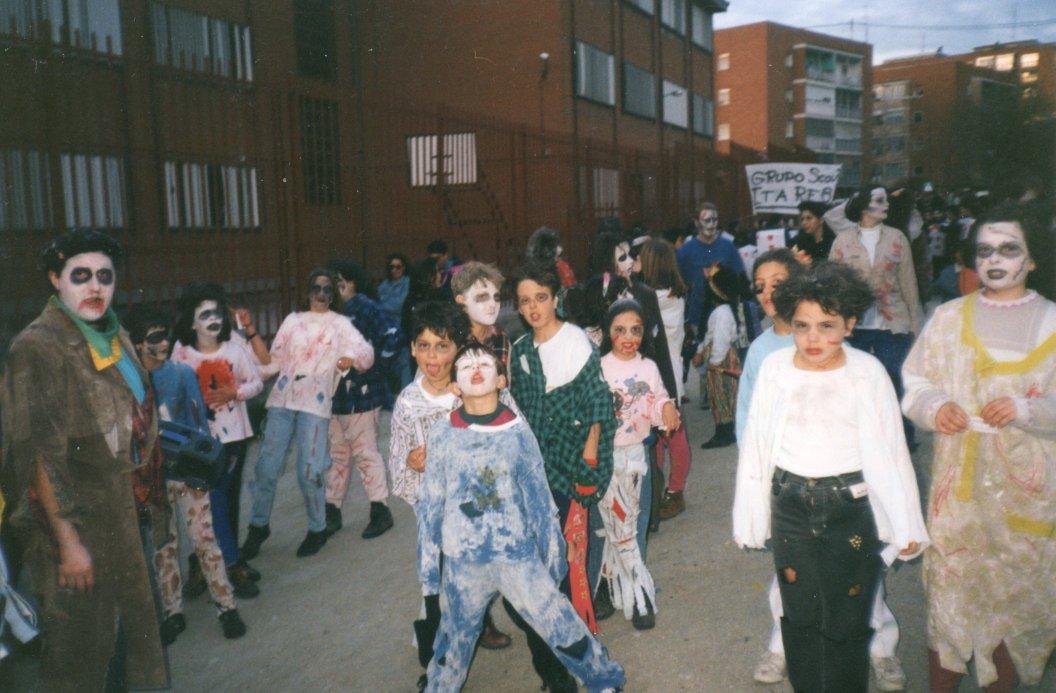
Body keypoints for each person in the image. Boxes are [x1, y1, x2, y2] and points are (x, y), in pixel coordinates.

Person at [733, 261, 928, 693]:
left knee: (848, 615)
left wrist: (904, 522)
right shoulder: (775, 371)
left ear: (851, 323)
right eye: (802, 326)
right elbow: (757, 448)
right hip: (790, 505)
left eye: (827, 325)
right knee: (798, 612)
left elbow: (891, 453)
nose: (814, 338)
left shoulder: (866, 373)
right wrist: (750, 516)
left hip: (850, 508)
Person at [0, 229, 167, 689]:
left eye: (104, 276)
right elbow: (34, 456)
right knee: (82, 653)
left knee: (135, 642)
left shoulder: (111, 333)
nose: (95, 287)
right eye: (81, 276)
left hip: (123, 519)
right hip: (76, 527)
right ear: (56, 280)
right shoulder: (37, 347)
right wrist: (69, 543)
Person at [902, 204, 1056, 691]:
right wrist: (935, 404)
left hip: (1028, 495)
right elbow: (915, 379)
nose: (995, 259)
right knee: (950, 594)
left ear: (1031, 259)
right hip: (959, 491)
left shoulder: (1052, 321)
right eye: (984, 250)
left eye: (1009, 249)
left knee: (1017, 601)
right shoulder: (947, 318)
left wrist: (1028, 411)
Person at [417, 343, 625, 692]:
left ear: (502, 380)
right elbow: (430, 506)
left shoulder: (517, 431)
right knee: (452, 645)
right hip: (462, 563)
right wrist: (428, 573)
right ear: (455, 386)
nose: (477, 369)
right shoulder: (441, 434)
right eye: (467, 366)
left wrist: (553, 557)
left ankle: (604, 679)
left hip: (518, 557)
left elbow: (541, 501)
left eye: (485, 363)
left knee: (561, 625)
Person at [386, 302, 514, 683]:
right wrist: (412, 462)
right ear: (411, 349)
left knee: (498, 579)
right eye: (423, 346)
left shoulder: (477, 385)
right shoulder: (408, 404)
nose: (432, 357)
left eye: (441, 346)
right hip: (440, 521)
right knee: (440, 594)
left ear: (457, 348)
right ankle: (437, 668)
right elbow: (398, 466)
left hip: (486, 508)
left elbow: (513, 434)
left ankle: (538, 653)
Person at [128, 308, 247, 642]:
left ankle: (227, 606)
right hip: (153, 478)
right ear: (137, 343)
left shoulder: (180, 374)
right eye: (154, 338)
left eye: (165, 335)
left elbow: (197, 425)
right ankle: (173, 612)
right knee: (163, 545)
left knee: (204, 539)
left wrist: (202, 470)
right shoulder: (130, 382)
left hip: (186, 472)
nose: (164, 343)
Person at [509, 262, 616, 634]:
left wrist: (590, 461)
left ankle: (579, 618)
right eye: (525, 301)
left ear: (555, 298)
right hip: (538, 462)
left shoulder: (575, 340)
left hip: (573, 458)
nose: (534, 308)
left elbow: (596, 404)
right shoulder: (519, 350)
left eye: (541, 298)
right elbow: (520, 414)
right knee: (548, 542)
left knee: (575, 540)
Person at [241, 268, 374, 559]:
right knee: (266, 468)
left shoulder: (340, 324)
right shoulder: (293, 320)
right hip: (282, 401)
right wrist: (250, 332)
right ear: (308, 290)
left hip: (315, 405)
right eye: (317, 288)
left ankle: (317, 528)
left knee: (309, 471)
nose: (322, 295)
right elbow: (272, 362)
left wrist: (349, 359)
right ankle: (258, 527)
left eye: (329, 289)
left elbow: (366, 355)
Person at [170, 283, 262, 596]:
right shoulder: (181, 354)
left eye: (217, 313)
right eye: (205, 314)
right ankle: (203, 565)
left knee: (227, 499)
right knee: (203, 503)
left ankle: (232, 564)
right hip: (199, 442)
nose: (214, 320)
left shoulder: (234, 347)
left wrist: (235, 393)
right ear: (192, 321)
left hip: (233, 436)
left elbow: (256, 383)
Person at [597, 300, 679, 630]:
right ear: (608, 332)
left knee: (625, 525)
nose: (628, 337)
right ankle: (639, 594)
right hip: (606, 458)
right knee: (620, 526)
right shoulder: (599, 366)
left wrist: (667, 407)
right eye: (620, 330)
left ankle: (615, 584)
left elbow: (658, 399)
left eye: (636, 330)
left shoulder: (648, 367)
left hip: (637, 458)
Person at [829, 186, 923, 448]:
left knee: (894, 379)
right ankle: (863, 440)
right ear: (862, 207)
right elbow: (834, 286)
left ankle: (903, 437)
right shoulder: (842, 241)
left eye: (886, 200)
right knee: (858, 385)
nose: (886, 205)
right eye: (879, 201)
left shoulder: (898, 238)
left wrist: (915, 326)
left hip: (892, 324)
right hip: (855, 326)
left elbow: (909, 283)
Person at [323, 259, 399, 540]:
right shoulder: (332, 313)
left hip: (361, 396)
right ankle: (331, 510)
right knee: (338, 454)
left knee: (366, 452)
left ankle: (380, 508)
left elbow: (392, 335)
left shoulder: (364, 307)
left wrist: (376, 370)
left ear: (351, 282)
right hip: (336, 397)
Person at [637, 239, 693, 520]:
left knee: (672, 435)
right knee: (661, 437)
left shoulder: (659, 299)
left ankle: (675, 491)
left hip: (665, 375)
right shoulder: (674, 294)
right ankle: (662, 489)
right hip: (665, 371)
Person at [691, 265, 747, 449]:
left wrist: (714, 363)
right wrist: (700, 351)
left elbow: (720, 340)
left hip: (721, 361)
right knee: (720, 396)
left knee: (723, 396)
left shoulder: (721, 313)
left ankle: (725, 432)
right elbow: (709, 335)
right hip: (719, 359)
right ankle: (724, 430)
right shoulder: (721, 311)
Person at [677, 202, 747, 348]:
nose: (712, 224)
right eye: (707, 220)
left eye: (715, 220)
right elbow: (678, 284)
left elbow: (740, 279)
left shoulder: (728, 247)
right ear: (697, 223)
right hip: (697, 317)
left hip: (725, 316)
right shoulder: (686, 251)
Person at [379, 252, 413, 389]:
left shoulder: (407, 283)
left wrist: (384, 305)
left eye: (398, 267)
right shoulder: (385, 284)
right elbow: (377, 302)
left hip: (400, 328)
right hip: (385, 329)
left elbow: (400, 304)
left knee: (404, 361)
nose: (394, 270)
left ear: (404, 268)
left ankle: (407, 395)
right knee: (386, 362)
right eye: (392, 267)